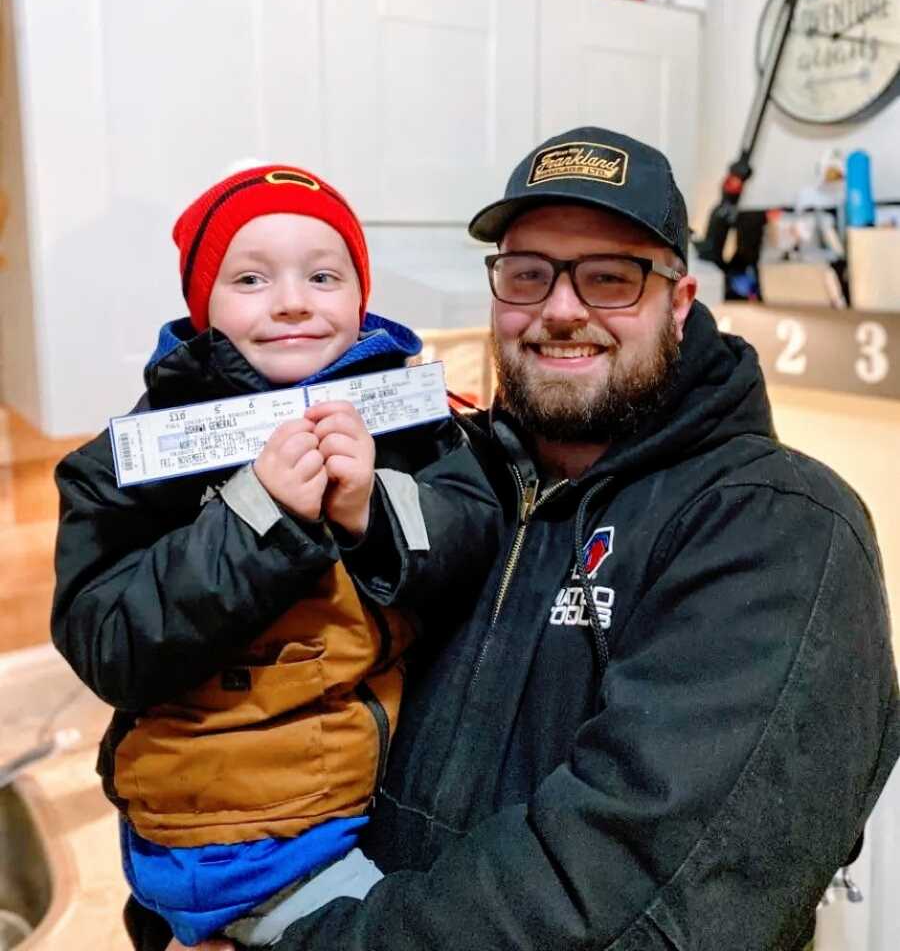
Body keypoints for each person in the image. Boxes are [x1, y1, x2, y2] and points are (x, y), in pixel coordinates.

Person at [173, 126, 897, 951]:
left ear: (680, 302)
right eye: (527, 275)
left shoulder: (777, 525)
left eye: (610, 278)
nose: (559, 309)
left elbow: (623, 899)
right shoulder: (442, 483)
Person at [51, 164, 500, 948]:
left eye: (323, 275)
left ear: (359, 297)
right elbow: (109, 641)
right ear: (204, 307)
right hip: (236, 844)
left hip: (370, 800)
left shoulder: (414, 421)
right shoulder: (136, 459)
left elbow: (478, 550)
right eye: (252, 277)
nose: (293, 300)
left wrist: (371, 508)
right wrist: (258, 515)